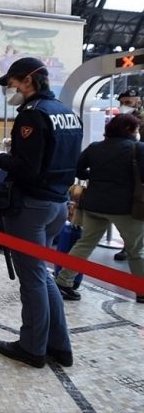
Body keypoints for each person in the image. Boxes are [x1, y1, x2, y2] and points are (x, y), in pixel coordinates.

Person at [0, 57, 82, 369]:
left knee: (31, 279)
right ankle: (59, 345)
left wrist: (0, 159)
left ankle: (32, 347)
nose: (10, 90)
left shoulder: (33, 114)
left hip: (32, 206)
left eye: (12, 83)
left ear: (27, 80)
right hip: (57, 204)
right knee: (43, 275)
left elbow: (27, 170)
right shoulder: (67, 113)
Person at [55, 114, 144, 303]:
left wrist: (96, 175)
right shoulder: (137, 149)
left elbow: (78, 170)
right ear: (128, 129)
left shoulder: (95, 147)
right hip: (125, 208)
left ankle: (63, 281)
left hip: (94, 205)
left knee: (84, 244)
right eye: (135, 129)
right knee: (136, 250)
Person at [113, 89, 144, 261]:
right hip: (129, 172)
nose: (124, 106)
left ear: (138, 101)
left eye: (128, 102)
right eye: (122, 102)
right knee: (133, 213)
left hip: (140, 170)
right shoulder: (121, 120)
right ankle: (128, 246)